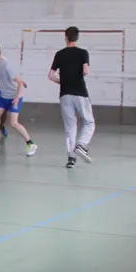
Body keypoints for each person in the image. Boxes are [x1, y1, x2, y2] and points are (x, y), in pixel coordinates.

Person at [49, 26, 94, 168]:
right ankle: (81, 145)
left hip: (65, 94)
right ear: (77, 37)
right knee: (88, 122)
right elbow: (86, 71)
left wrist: (62, 81)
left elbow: (50, 75)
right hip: (80, 92)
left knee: (70, 127)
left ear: (66, 37)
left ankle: (71, 159)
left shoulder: (59, 54)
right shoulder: (83, 53)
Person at [0, 41, 36, 156]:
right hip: (2, 97)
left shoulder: (6, 65)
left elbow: (19, 82)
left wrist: (16, 98)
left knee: (13, 123)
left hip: (13, 98)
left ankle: (30, 143)